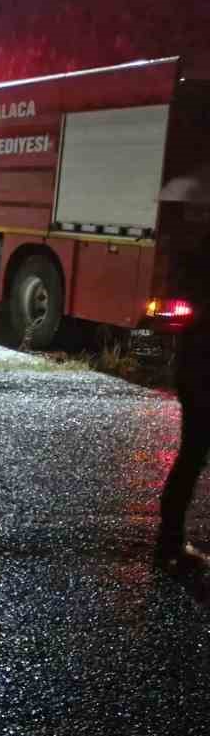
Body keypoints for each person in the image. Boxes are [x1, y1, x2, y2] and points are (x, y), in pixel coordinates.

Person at [159, 230, 210, 570]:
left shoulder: (196, 254)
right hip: (203, 375)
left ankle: (170, 542)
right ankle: (170, 544)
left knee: (190, 458)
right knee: (191, 458)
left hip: (196, 374)